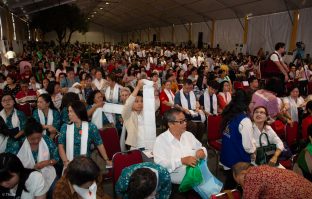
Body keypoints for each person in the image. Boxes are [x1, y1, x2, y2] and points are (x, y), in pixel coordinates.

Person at [153, 108, 207, 198]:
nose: (185, 123)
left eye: (185, 120)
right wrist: (181, 161)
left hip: (194, 180)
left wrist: (202, 151)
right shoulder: (161, 141)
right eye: (181, 121)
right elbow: (160, 164)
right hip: (176, 185)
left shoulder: (188, 135)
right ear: (170, 124)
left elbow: (200, 148)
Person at [11, 118, 59, 197]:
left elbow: (57, 157)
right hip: (26, 177)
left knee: (54, 191)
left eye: (39, 138)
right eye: (32, 139)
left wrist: (47, 162)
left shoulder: (46, 140)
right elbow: (11, 164)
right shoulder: (19, 145)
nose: (36, 141)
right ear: (26, 136)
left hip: (47, 172)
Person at [58, 100, 111, 168]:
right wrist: (65, 162)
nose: (68, 114)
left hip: (86, 164)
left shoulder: (91, 127)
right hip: (68, 163)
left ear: (78, 112)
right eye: (68, 111)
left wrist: (106, 160)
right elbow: (60, 146)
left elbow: (99, 144)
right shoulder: (65, 127)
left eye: (71, 111)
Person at [220, 89, 256, 189]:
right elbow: (248, 148)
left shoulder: (231, 114)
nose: (253, 104)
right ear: (246, 103)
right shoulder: (244, 120)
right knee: (235, 186)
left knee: (230, 184)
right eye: (252, 102)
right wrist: (254, 151)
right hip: (237, 160)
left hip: (227, 156)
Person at [232, 162, 312, 198]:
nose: (242, 186)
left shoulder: (251, 175)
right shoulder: (262, 168)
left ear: (243, 173)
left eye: (239, 182)